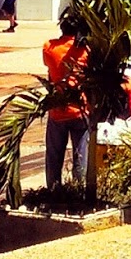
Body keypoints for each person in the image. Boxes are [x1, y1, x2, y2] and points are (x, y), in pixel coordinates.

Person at [42, 12, 91, 192]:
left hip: (57, 109)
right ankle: (79, 191)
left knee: (54, 156)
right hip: (80, 109)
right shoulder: (86, 51)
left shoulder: (49, 47)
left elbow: (48, 67)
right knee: (81, 156)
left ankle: (53, 190)